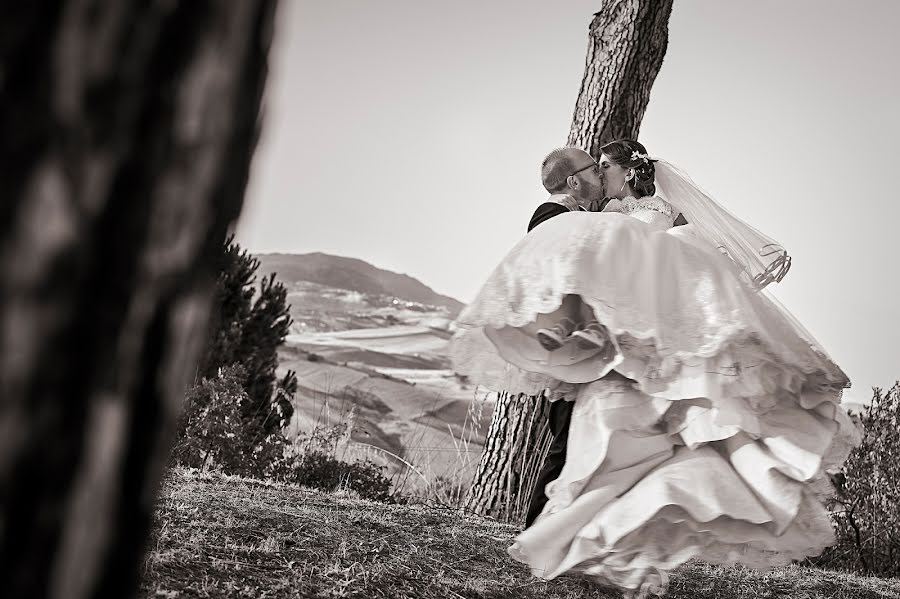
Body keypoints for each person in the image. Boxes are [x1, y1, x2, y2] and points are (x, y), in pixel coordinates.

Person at [449, 139, 861, 598]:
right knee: (572, 448)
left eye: (604, 167)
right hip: (581, 358)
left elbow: (658, 270)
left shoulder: (632, 216)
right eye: (594, 167)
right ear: (574, 179)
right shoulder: (560, 220)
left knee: (608, 451)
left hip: (626, 357)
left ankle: (585, 542)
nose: (599, 175)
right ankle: (542, 539)